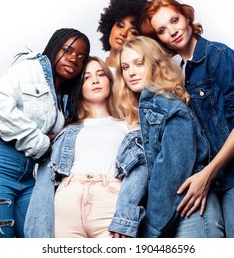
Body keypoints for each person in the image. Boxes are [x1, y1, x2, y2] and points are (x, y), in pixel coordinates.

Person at [139, 0, 234, 237]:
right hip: (207, 181)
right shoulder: (177, 74)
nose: (173, 31)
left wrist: (207, 174)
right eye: (162, 30)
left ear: (187, 17)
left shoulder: (218, 55)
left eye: (175, 20)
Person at [0, 28, 91, 238]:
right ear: (55, 47)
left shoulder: (64, 99)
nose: (74, 59)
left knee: (41, 239)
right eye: (67, 51)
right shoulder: (30, 69)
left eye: (81, 57)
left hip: (28, 176)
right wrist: (41, 143)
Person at [114, 36, 225, 238]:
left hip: (191, 213)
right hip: (176, 213)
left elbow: (170, 172)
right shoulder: (149, 109)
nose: (131, 72)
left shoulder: (166, 105)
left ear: (156, 65)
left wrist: (149, 230)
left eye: (139, 64)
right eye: (125, 67)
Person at [24, 56, 147, 238]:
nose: (95, 80)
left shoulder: (130, 126)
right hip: (67, 202)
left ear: (110, 81)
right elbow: (45, 179)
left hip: (110, 202)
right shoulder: (65, 131)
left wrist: (125, 217)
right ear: (79, 87)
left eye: (100, 74)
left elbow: (140, 172)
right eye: (87, 77)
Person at [97, 0, 148, 73]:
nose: (123, 33)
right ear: (110, 27)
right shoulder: (92, 68)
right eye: (120, 26)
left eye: (133, 32)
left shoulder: (138, 76)